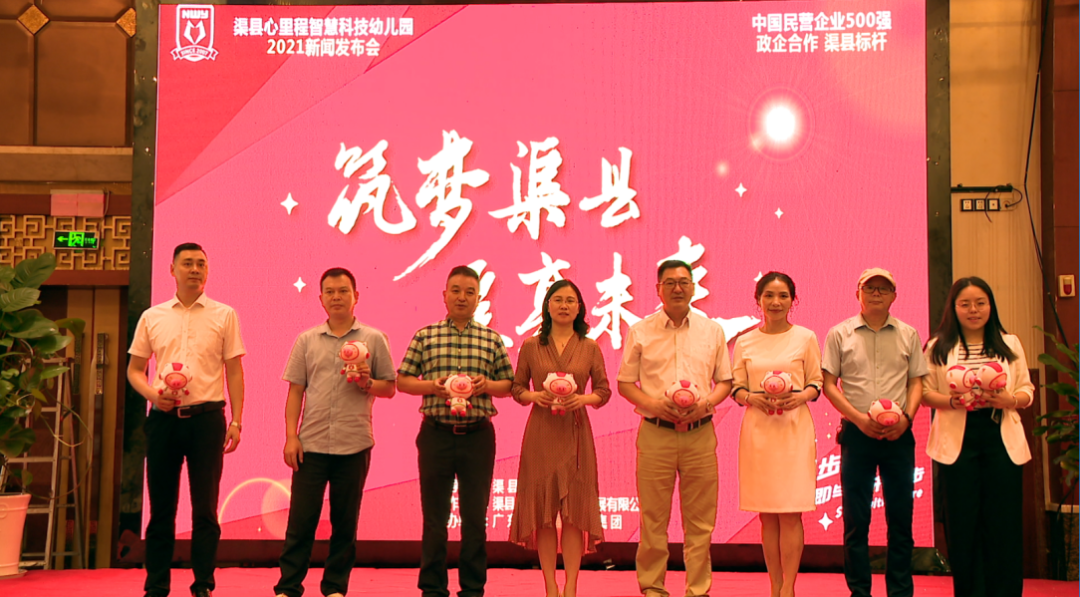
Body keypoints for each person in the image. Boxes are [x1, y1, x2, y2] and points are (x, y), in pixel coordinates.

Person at [127, 242, 246, 597]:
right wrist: (153, 395)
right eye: (188, 263)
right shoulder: (153, 316)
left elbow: (234, 371)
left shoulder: (225, 315)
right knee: (161, 509)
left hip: (207, 421)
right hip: (163, 420)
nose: (195, 269)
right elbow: (134, 370)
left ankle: (203, 584)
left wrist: (237, 421)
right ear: (172, 270)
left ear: (207, 271)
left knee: (205, 509)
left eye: (201, 264)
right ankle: (156, 586)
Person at [273, 268, 397, 597]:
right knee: (301, 521)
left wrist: (367, 382)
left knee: (345, 522)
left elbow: (389, 388)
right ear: (321, 299)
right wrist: (291, 436)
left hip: (354, 444)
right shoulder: (307, 340)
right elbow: (295, 391)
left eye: (343, 291)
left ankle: (335, 588)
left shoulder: (374, 338)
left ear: (356, 296)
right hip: (310, 445)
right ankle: (288, 587)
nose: (337, 297)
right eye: (330, 292)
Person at [617, 260, 733, 597]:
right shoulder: (641, 330)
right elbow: (625, 383)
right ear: (659, 290)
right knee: (653, 518)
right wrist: (653, 404)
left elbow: (725, 382)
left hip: (700, 434)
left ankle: (698, 589)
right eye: (670, 282)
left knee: (700, 521)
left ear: (694, 288)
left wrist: (707, 403)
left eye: (684, 281)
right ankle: (653, 587)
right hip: (656, 433)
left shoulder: (712, 330)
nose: (677, 288)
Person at [397, 265, 515, 597]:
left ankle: (473, 589)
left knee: (475, 518)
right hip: (435, 434)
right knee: (435, 519)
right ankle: (433, 589)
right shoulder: (425, 335)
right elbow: (403, 380)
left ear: (479, 298)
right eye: (456, 291)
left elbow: (509, 385)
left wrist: (485, 385)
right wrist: (431, 387)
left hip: (478, 436)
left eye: (469, 292)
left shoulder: (491, 338)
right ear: (445, 295)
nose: (462, 297)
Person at [921, 277, 1033, 597]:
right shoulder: (938, 346)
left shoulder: (1009, 344)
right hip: (958, 442)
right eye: (965, 304)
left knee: (1003, 523)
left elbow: (1026, 390)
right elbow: (925, 394)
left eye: (980, 303)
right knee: (962, 524)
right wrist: (953, 401)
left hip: (1000, 439)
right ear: (953, 308)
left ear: (990, 306)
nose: (974, 310)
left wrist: (1011, 399)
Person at [821, 268, 928, 597]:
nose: (877, 293)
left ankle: (900, 591)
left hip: (899, 435)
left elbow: (916, 382)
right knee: (856, 521)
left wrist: (907, 419)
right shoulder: (839, 334)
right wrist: (858, 419)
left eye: (884, 288)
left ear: (894, 295)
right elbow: (829, 384)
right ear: (858, 294)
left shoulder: (909, 334)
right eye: (870, 288)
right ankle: (860, 592)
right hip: (857, 435)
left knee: (901, 519)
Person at [509, 280, 611, 597]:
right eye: (558, 300)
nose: (564, 305)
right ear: (547, 306)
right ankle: (550, 585)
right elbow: (517, 389)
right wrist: (534, 395)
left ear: (579, 308)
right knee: (543, 514)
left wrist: (584, 399)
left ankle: (572, 586)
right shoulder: (531, 346)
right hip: (541, 434)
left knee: (573, 515)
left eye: (570, 300)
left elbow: (604, 391)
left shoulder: (590, 347)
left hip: (576, 433)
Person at [730, 272, 822, 597]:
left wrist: (800, 396)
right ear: (758, 300)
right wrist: (750, 398)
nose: (775, 302)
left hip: (794, 429)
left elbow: (816, 382)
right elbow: (736, 387)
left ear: (793, 301)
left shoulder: (806, 337)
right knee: (767, 515)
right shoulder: (744, 342)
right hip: (759, 431)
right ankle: (774, 586)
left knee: (791, 512)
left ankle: (789, 588)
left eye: (783, 296)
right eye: (769, 295)